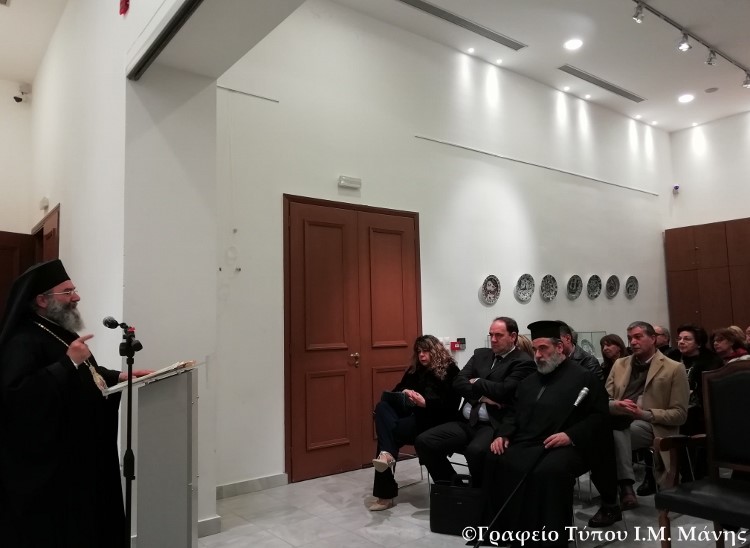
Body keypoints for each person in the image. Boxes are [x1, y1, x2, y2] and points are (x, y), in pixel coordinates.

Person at [0, 260, 151, 547]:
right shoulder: (22, 340)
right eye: (67, 292)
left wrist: (119, 376)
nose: (76, 297)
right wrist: (68, 362)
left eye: (74, 290)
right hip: (53, 469)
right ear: (42, 300)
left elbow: (85, 373)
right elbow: (18, 396)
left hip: (81, 456)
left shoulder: (59, 332)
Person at [482, 320, 609, 547]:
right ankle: (507, 532)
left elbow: (599, 417)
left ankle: (549, 539)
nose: (538, 355)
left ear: (559, 347)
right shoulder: (529, 381)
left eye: (543, 349)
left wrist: (570, 435)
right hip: (528, 441)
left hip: (567, 445)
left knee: (547, 471)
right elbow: (513, 413)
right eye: (535, 350)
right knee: (495, 457)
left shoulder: (583, 377)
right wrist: (503, 434)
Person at [415, 317, 535, 487]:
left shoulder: (522, 362)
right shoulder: (481, 355)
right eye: (491, 335)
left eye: (499, 335)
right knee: (424, 441)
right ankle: (454, 488)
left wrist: (477, 381)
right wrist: (482, 397)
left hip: (492, 424)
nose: (493, 339)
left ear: (513, 336)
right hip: (466, 421)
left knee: (475, 452)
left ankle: (481, 494)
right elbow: (458, 382)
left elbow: (504, 390)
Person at [369, 335, 459, 511]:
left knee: (387, 437)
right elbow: (395, 392)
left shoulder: (451, 370)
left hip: (434, 420)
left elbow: (451, 405)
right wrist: (404, 392)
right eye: (418, 352)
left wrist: (425, 403)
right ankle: (387, 455)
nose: (421, 355)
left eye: (426, 351)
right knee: (382, 407)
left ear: (436, 351)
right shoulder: (415, 370)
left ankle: (384, 494)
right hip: (412, 417)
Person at [605, 321, 689, 508]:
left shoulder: (674, 368)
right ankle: (620, 489)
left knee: (610, 433)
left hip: (651, 424)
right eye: (630, 338)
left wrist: (643, 414)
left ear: (653, 339)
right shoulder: (620, 364)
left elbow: (680, 415)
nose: (633, 342)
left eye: (638, 337)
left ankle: (621, 488)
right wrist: (615, 405)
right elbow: (604, 399)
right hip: (619, 418)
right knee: (605, 431)